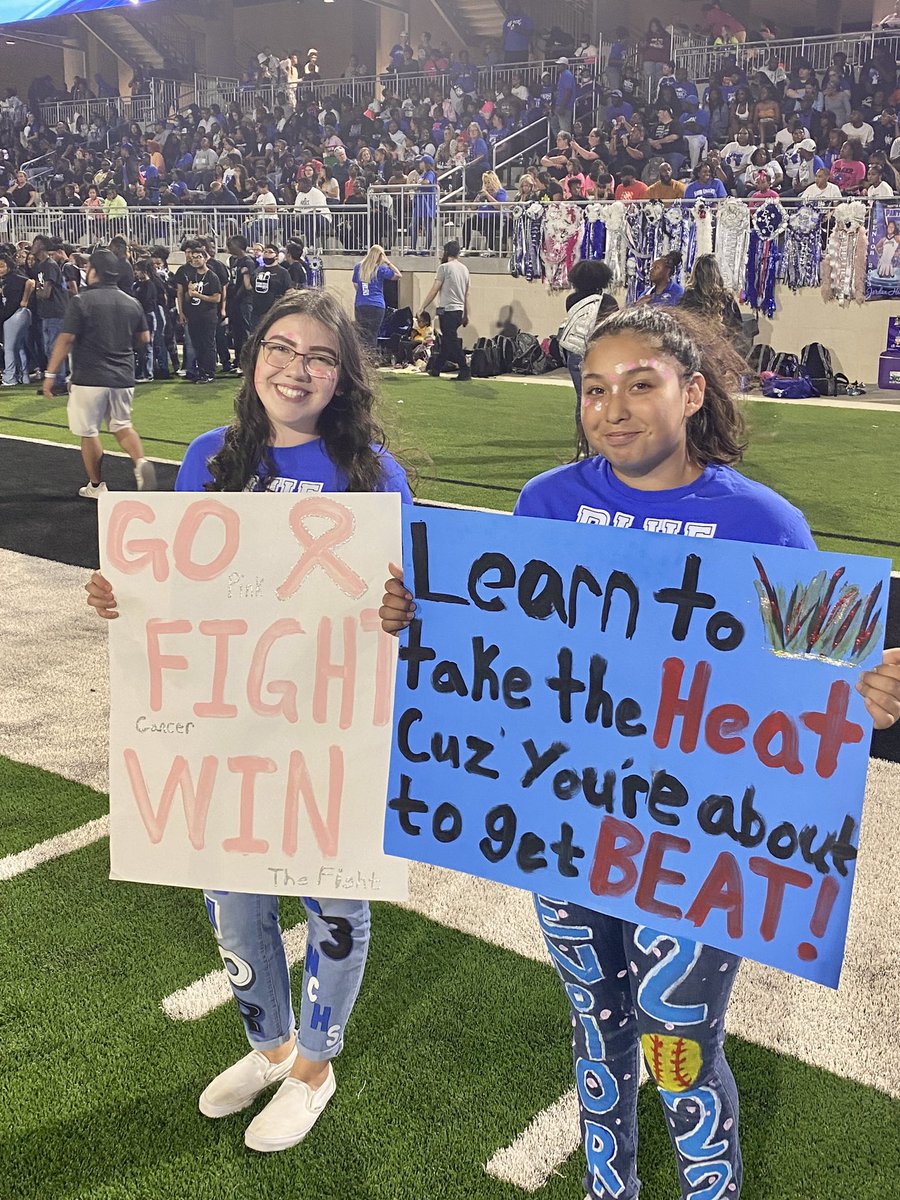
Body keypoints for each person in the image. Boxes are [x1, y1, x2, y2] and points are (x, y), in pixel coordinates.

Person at [378, 303, 900, 1200]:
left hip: (695, 839)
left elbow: (818, 693)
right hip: (569, 819)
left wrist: (870, 698)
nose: (613, 407)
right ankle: (605, 1186)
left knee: (676, 1036)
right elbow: (510, 651)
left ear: (693, 393)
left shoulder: (765, 525)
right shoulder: (545, 501)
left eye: (640, 384)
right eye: (594, 388)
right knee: (593, 1019)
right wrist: (420, 617)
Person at [85, 289, 411, 1155]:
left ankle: (315, 1066)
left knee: (336, 900)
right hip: (230, 727)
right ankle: (271, 1048)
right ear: (254, 357)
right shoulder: (209, 455)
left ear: (342, 377)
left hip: (331, 726)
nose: (296, 368)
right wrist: (128, 595)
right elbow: (184, 597)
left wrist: (397, 611)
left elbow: (400, 605)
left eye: (319, 357)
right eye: (281, 348)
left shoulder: (374, 472)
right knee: (233, 902)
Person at [43, 248, 155, 498]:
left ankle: (96, 485)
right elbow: (144, 338)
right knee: (123, 426)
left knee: (89, 431)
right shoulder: (131, 301)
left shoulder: (81, 300)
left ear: (93, 271)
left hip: (89, 377)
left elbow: (66, 339)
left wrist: (50, 375)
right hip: (123, 377)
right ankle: (140, 463)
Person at [420, 240, 470, 382]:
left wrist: (423, 306)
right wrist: (466, 314)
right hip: (458, 310)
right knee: (448, 340)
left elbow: (435, 289)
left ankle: (465, 368)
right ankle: (436, 368)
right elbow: (466, 295)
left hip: (447, 309)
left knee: (450, 340)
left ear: (446, 252)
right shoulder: (464, 270)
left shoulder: (444, 268)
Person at [680, 254, 742, 341]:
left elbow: (681, 327)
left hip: (695, 349)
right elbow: (738, 331)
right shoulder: (728, 299)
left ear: (695, 274)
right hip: (723, 349)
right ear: (717, 274)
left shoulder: (688, 298)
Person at [351, 244, 401, 347]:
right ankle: (372, 360)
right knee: (373, 335)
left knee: (361, 334)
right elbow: (398, 275)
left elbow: (356, 284)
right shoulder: (380, 269)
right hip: (376, 305)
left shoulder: (358, 267)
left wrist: (364, 293)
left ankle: (362, 359)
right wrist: (388, 262)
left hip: (361, 304)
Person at [0, 251, 34, 386]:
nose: (0, 269)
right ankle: (24, 376)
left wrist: (24, 300)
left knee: (9, 348)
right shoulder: (11, 278)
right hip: (21, 314)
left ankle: (10, 378)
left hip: (15, 314)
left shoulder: (13, 278)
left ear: (8, 266)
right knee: (19, 347)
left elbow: (30, 282)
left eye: (2, 266)